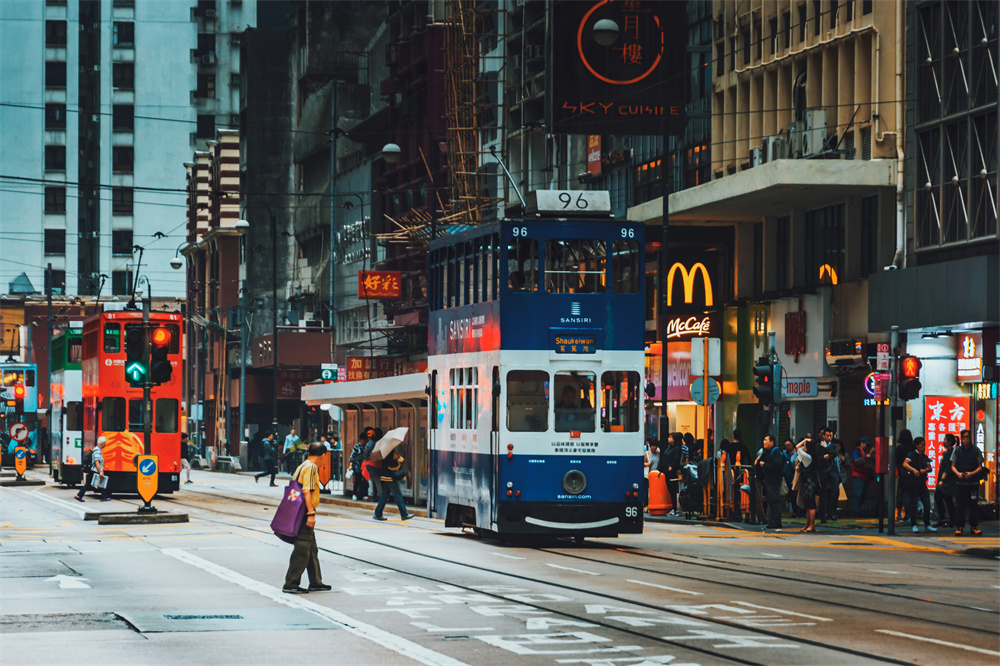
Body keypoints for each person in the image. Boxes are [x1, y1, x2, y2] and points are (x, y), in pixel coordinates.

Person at [282, 442, 332, 594]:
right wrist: (310, 513)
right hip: (304, 512)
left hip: (299, 510)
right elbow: (306, 491)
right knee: (302, 548)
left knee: (311, 548)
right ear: (323, 455)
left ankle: (316, 581)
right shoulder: (311, 467)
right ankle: (291, 583)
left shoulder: (303, 465)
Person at [951, 429, 984, 536]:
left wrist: (971, 473)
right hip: (960, 483)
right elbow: (953, 466)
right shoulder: (956, 450)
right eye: (964, 437)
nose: (965, 440)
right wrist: (958, 474)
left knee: (973, 506)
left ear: (971, 438)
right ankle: (959, 527)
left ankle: (973, 527)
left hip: (973, 483)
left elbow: (980, 467)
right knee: (960, 506)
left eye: (967, 437)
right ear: (961, 439)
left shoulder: (976, 450)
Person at [901, 436, 937, 534]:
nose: (924, 446)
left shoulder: (924, 456)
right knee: (913, 504)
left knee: (927, 504)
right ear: (916, 446)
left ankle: (927, 524)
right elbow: (905, 464)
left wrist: (924, 470)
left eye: (924, 444)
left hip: (922, 482)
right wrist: (914, 470)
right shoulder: (912, 454)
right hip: (914, 483)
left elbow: (930, 468)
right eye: (922, 445)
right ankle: (914, 524)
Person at [372, 446, 414, 522]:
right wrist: (399, 461)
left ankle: (377, 513)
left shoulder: (385, 451)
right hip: (389, 477)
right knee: (397, 494)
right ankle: (404, 514)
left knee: (384, 496)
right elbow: (391, 465)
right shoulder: (389, 451)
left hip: (385, 476)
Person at [756, 434, 784, 531]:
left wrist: (765, 465)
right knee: (771, 501)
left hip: (774, 480)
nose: (764, 442)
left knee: (774, 500)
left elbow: (777, 465)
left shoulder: (776, 451)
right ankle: (772, 522)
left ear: (772, 442)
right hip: (768, 480)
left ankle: (777, 522)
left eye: (765, 440)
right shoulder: (767, 452)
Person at [74, 436, 110, 502]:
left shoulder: (97, 449)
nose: (105, 444)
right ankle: (104, 497)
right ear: (102, 443)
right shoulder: (97, 451)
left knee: (96, 483)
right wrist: (100, 471)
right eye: (104, 443)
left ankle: (104, 496)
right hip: (95, 470)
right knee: (96, 483)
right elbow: (97, 462)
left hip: (94, 470)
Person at [795, 437, 818, 532]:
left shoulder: (808, 457)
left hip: (810, 483)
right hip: (807, 483)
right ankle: (808, 524)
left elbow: (797, 447)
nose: (803, 447)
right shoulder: (808, 456)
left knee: (811, 504)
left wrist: (805, 440)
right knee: (808, 504)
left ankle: (811, 525)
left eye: (804, 446)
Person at [934, 433, 957, 527]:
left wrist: (942, 480)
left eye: (945, 440)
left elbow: (948, 468)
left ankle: (950, 520)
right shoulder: (949, 452)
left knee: (945, 500)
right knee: (945, 500)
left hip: (946, 482)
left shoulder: (950, 452)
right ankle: (948, 520)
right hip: (946, 481)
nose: (943, 441)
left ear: (949, 442)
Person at [657, 432, 683, 516]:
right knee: (670, 490)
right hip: (666, 472)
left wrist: (671, 466)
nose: (668, 438)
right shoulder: (669, 447)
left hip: (672, 472)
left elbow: (676, 459)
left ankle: (674, 509)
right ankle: (673, 508)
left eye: (670, 437)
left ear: (674, 439)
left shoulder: (676, 448)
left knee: (673, 491)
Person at [894, 429, 914, 521]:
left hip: (902, 473)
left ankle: (898, 514)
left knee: (901, 493)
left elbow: (895, 461)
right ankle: (910, 514)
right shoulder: (913, 448)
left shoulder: (899, 448)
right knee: (912, 494)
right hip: (913, 473)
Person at [851, 437, 874, 516]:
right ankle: (856, 512)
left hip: (865, 476)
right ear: (861, 443)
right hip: (858, 476)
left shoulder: (865, 452)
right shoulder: (857, 451)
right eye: (865, 444)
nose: (866, 446)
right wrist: (865, 457)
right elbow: (856, 461)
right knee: (858, 494)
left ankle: (859, 511)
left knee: (863, 495)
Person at [349, 429, 370, 500]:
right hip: (357, 466)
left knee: (364, 481)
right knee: (357, 480)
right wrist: (351, 465)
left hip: (365, 467)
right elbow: (353, 456)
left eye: (365, 440)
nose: (364, 442)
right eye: (363, 440)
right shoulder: (357, 446)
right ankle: (355, 493)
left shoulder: (367, 446)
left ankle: (363, 494)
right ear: (360, 440)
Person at [363, 427, 384, 501]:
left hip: (371, 463)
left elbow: (366, 453)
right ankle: (380, 495)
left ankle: (370, 495)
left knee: (370, 480)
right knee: (377, 480)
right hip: (379, 463)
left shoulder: (370, 443)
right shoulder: (380, 442)